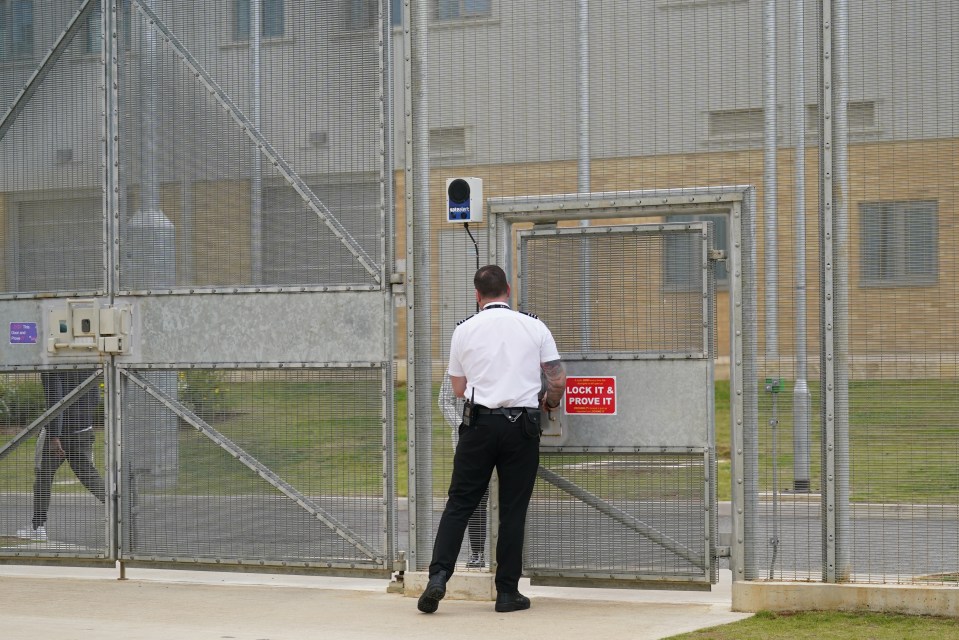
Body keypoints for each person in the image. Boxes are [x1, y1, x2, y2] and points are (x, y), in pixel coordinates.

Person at [418, 265, 567, 614]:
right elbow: (557, 379)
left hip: (479, 426)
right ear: (508, 290)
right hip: (522, 428)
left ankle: (438, 578)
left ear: (477, 295)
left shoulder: (464, 330)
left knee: (460, 503)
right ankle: (507, 592)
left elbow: (457, 388)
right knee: (513, 510)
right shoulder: (534, 326)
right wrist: (550, 402)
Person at [16, 370, 106, 542]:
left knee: (44, 476)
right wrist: (85, 421)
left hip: (60, 432)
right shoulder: (87, 360)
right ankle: (118, 510)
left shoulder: (52, 365)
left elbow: (55, 400)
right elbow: (95, 396)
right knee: (90, 476)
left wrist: (54, 435)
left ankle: (38, 527)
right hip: (83, 428)